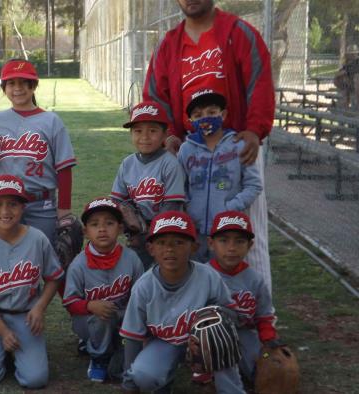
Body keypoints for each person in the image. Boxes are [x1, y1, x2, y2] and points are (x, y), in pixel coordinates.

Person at [143, 0, 275, 291]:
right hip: (190, 150)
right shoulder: (169, 44)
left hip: (236, 147)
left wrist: (255, 130)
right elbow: (156, 96)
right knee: (195, 236)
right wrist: (169, 135)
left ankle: (259, 318)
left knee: (245, 237)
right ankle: (202, 313)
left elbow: (260, 83)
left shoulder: (238, 32)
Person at [119, 210, 245, 394]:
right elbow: (132, 337)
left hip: (203, 342)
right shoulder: (144, 286)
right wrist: (128, 384)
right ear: (151, 249)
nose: (170, 249)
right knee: (143, 376)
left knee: (221, 334)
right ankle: (164, 381)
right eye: (162, 243)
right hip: (164, 342)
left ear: (194, 247)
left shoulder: (208, 276)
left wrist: (213, 324)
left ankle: (231, 390)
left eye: (179, 242)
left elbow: (233, 314)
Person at [0, 175, 64, 388]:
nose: (5, 211)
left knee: (35, 380)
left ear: (23, 208)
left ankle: (16, 353)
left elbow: (53, 278)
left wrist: (39, 308)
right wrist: (1, 330)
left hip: (27, 317)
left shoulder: (37, 239)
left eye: (13, 204)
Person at [0, 59, 76, 244]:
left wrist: (64, 208)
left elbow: (64, 168)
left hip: (42, 205)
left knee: (42, 257)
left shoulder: (51, 121)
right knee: (7, 258)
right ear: (4, 88)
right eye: (11, 83)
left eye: (24, 82)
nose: (18, 88)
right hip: (6, 204)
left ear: (34, 86)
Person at [62, 197, 144, 383]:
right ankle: (99, 358)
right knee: (102, 315)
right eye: (94, 224)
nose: (102, 229)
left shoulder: (132, 259)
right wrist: (90, 305)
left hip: (124, 320)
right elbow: (69, 303)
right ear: (85, 232)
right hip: (90, 321)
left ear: (121, 228)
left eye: (109, 223)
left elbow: (141, 297)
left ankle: (116, 347)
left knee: (121, 370)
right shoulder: (78, 265)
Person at [177, 89, 262, 262]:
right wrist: (189, 208)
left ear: (223, 115)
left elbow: (254, 185)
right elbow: (180, 185)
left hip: (226, 231)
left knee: (224, 277)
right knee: (197, 277)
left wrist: (230, 207)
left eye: (211, 112)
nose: (205, 118)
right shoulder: (186, 149)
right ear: (190, 121)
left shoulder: (239, 145)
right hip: (196, 231)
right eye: (198, 115)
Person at [110, 101, 186, 267]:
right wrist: (130, 223)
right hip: (136, 235)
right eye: (138, 131)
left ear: (165, 134)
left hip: (166, 235)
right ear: (131, 134)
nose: (144, 137)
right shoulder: (127, 164)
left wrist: (150, 235)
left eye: (152, 130)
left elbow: (172, 207)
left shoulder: (170, 164)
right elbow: (117, 201)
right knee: (138, 277)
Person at [207, 211, 279, 383]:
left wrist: (268, 339)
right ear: (211, 244)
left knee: (262, 372)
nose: (231, 248)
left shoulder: (255, 279)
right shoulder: (202, 275)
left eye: (239, 241)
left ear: (250, 245)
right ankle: (207, 368)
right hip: (212, 335)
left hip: (244, 332)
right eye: (224, 240)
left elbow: (264, 316)